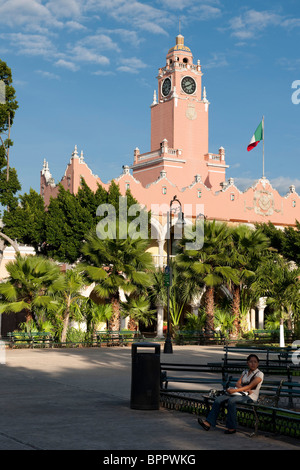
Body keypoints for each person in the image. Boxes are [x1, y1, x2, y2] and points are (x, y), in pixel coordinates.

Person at [198, 354, 264, 434]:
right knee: (219, 399)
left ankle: (232, 427)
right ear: (247, 363)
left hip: (251, 396)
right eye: (251, 362)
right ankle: (208, 423)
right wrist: (243, 389)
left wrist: (237, 390)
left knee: (232, 401)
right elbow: (238, 383)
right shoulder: (245, 372)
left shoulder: (259, 374)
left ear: (258, 363)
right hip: (240, 393)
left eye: (255, 362)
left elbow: (250, 385)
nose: (253, 364)